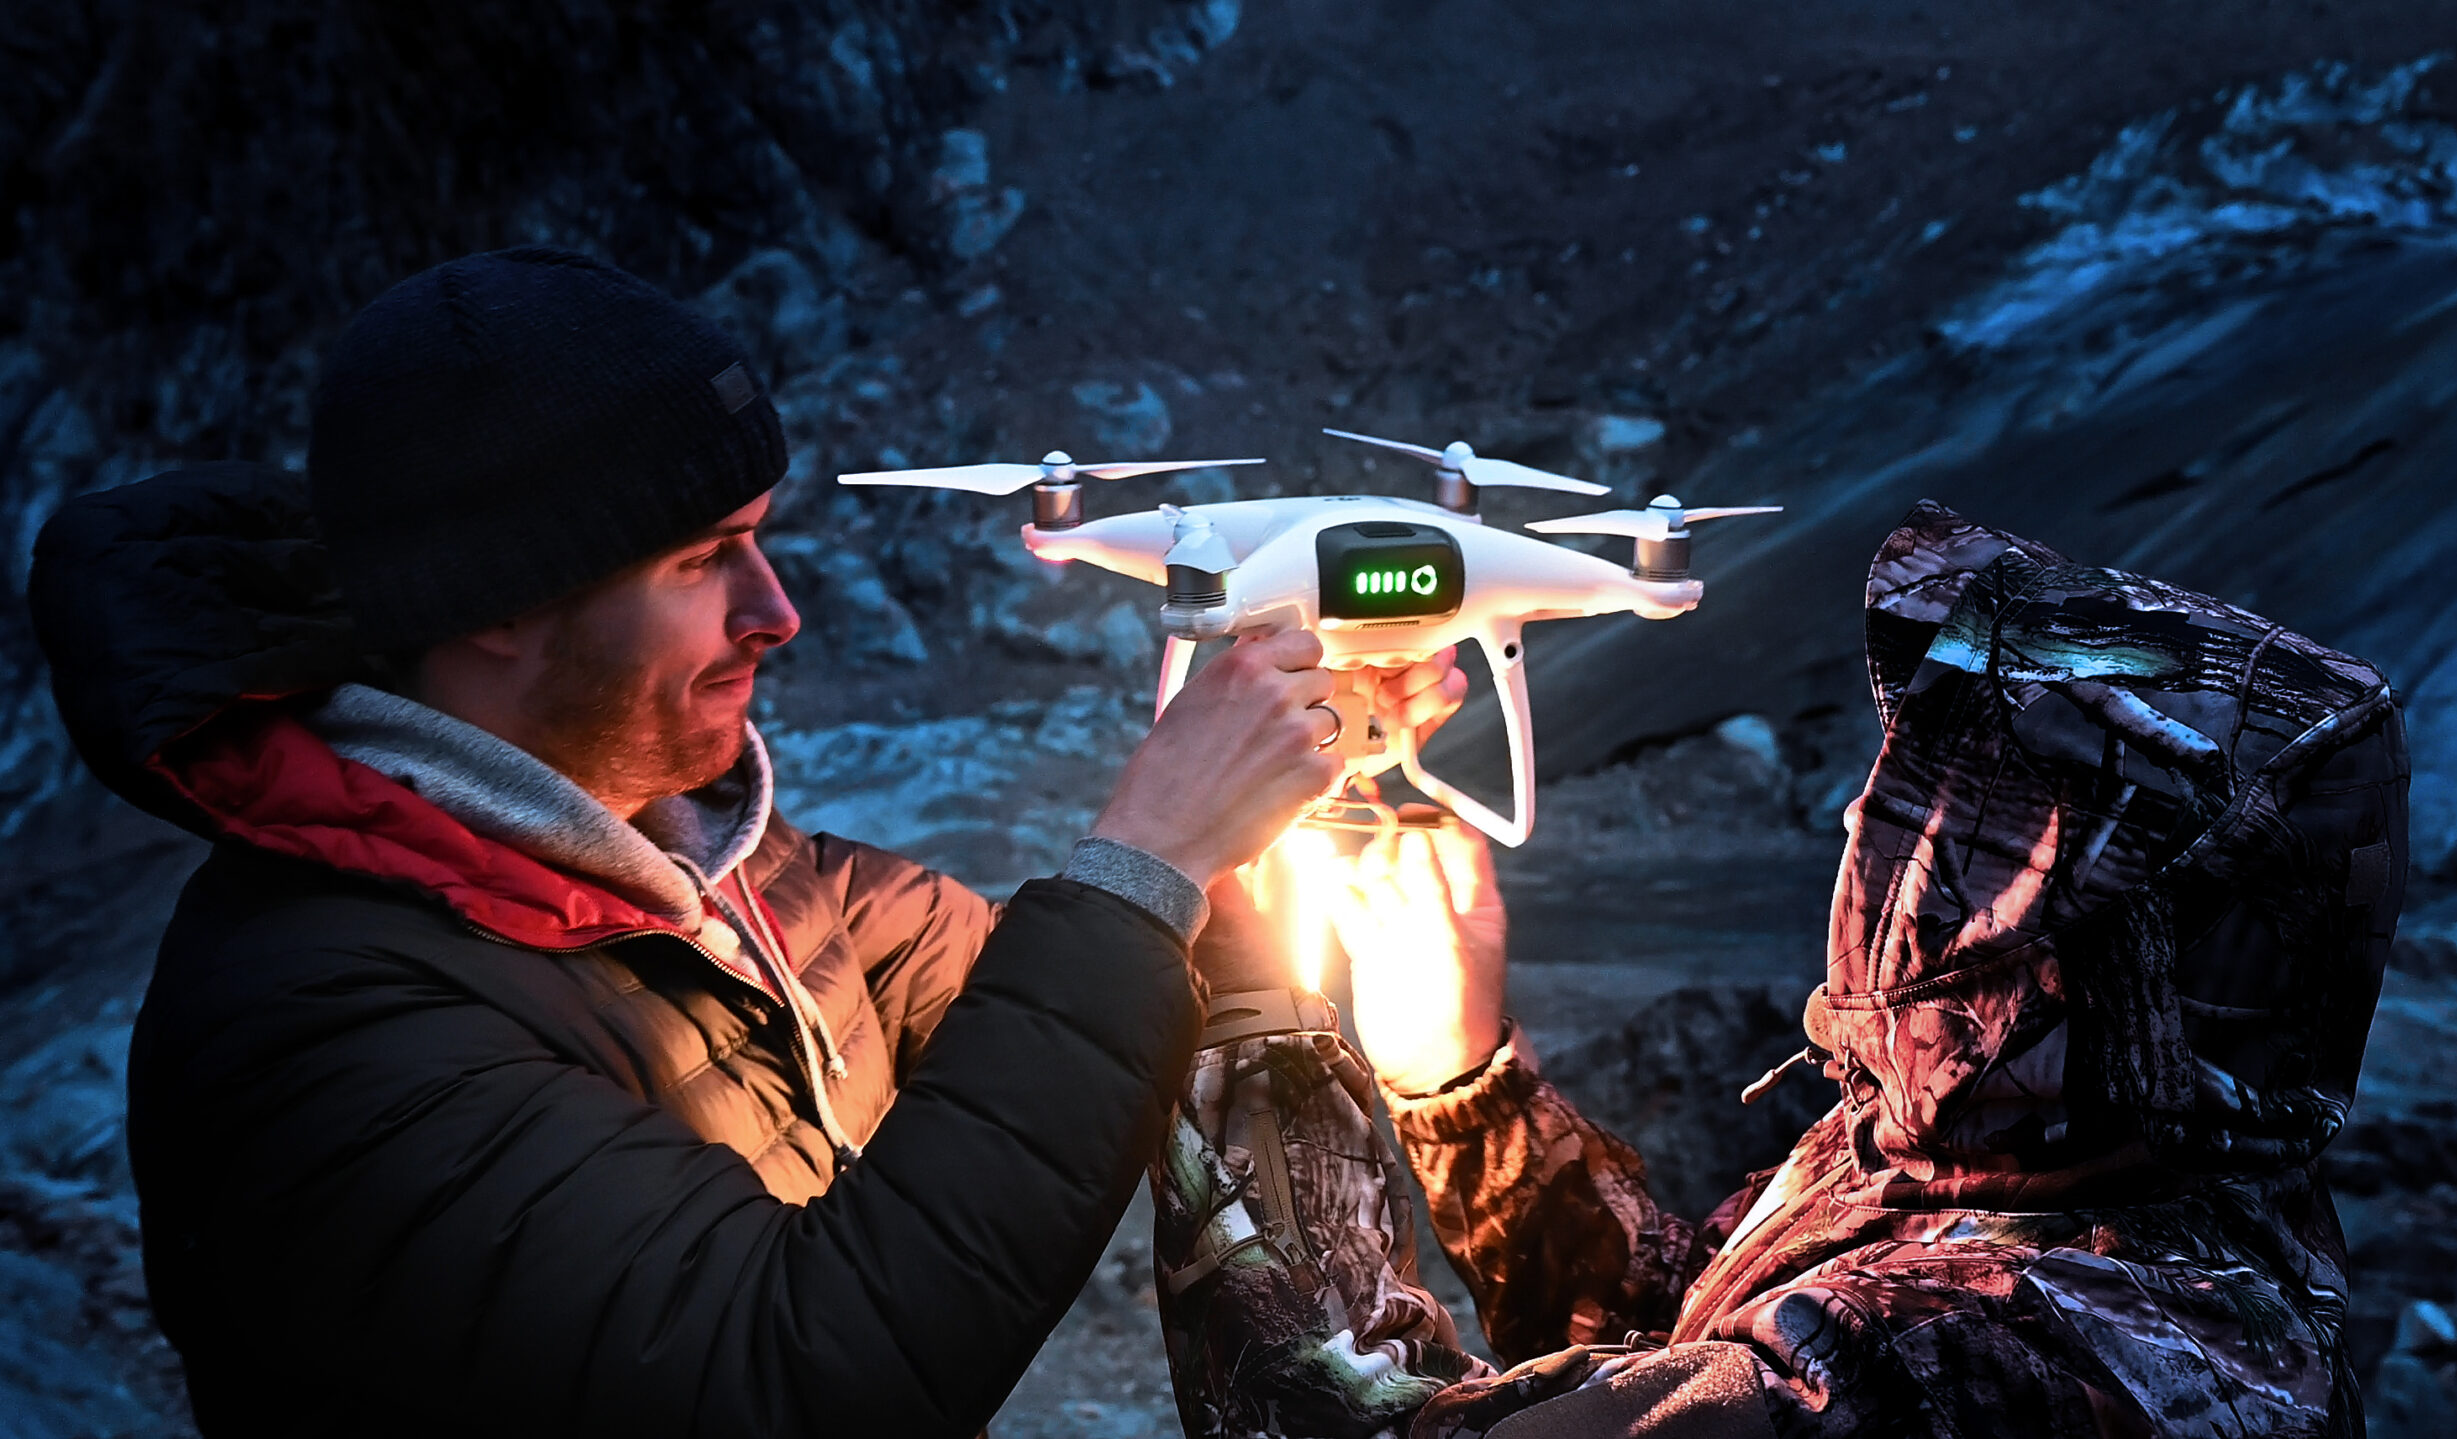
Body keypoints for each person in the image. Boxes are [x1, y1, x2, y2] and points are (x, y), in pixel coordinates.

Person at [26, 246, 1461, 1437]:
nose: (775, 608)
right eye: (704, 556)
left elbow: (1065, 1024)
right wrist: (1149, 847)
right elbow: (796, 1374)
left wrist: (1262, 787)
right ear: (494, 605)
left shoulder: (725, 884)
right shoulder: (323, 1025)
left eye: (760, 538)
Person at [1151, 501, 2409, 1438]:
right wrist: (1458, 1077)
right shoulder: (2111, 1183)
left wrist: (1247, 1005)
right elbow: (1665, 1344)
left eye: (1945, 807)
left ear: (2055, 924)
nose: (1869, 824)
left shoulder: (1966, 1371)